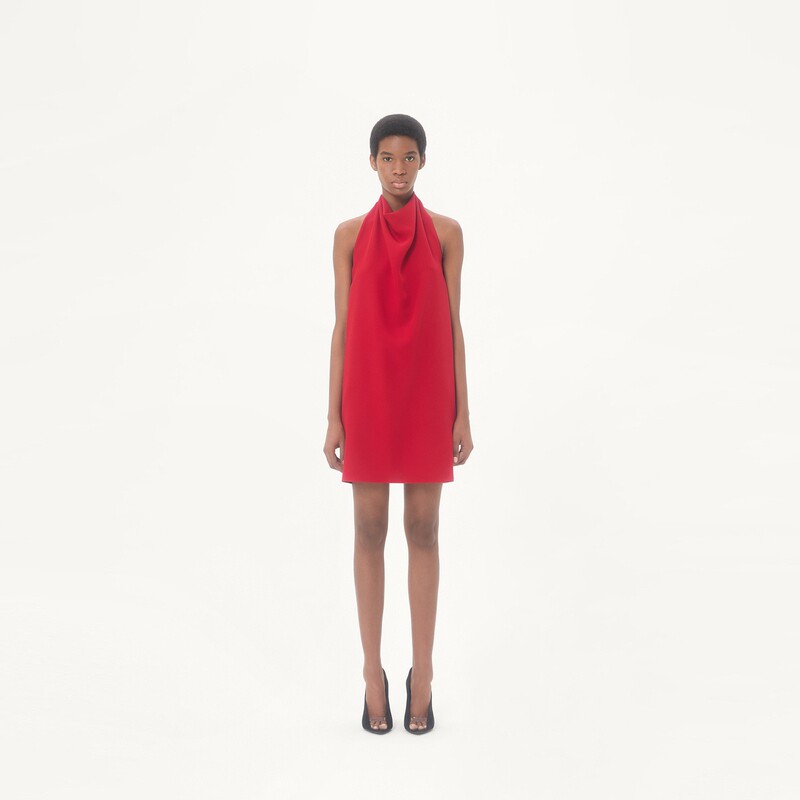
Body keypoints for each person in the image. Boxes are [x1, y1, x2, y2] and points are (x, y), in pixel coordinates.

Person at [323, 113, 474, 734]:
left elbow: (455, 324)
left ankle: (424, 674)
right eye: (387, 158)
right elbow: (341, 326)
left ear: (422, 161)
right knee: (368, 529)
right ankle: (370, 674)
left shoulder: (447, 233)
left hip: (426, 393)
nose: (398, 169)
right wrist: (333, 415)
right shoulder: (347, 235)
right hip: (368, 394)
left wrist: (464, 410)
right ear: (372, 163)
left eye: (409, 158)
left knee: (424, 530)